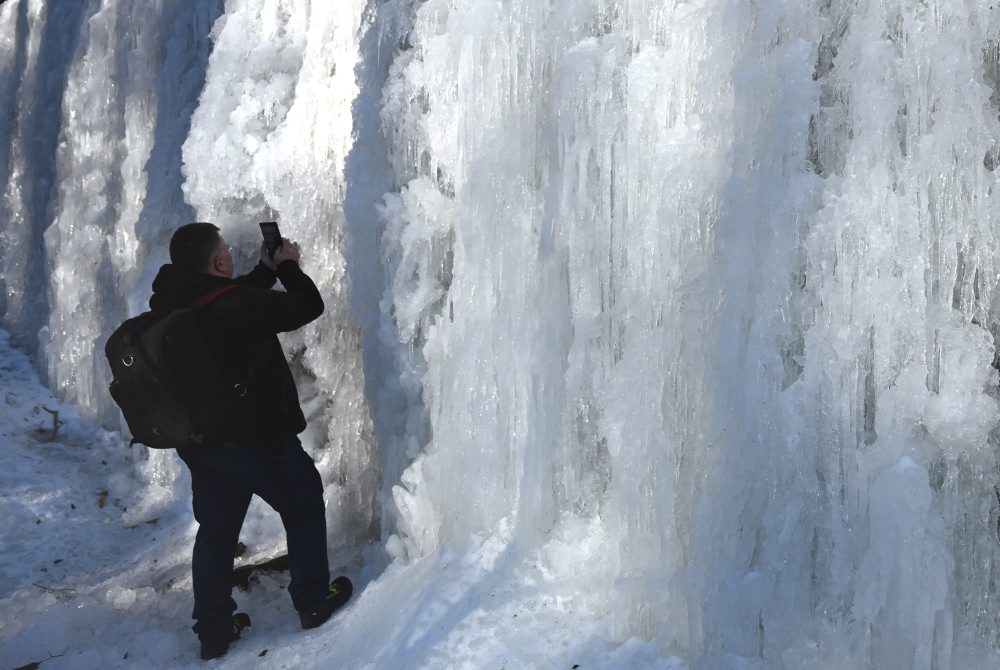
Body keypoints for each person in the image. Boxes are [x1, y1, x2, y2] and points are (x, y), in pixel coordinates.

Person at [148, 222, 351, 660]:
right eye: (226, 253)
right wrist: (290, 267)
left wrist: (264, 271)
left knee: (217, 533)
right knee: (302, 505)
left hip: (204, 445)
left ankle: (214, 631)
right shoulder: (237, 304)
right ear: (220, 262)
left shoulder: (171, 302)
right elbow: (306, 305)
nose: (230, 258)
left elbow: (227, 303)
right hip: (257, 440)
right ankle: (314, 600)